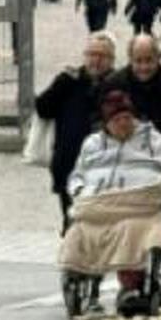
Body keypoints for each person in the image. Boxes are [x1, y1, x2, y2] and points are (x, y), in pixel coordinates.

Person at [63, 89, 161, 314]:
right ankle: (83, 284)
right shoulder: (93, 143)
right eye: (116, 120)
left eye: (127, 118)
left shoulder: (152, 140)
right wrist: (79, 190)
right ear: (106, 123)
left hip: (139, 207)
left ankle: (133, 287)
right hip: (101, 206)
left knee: (133, 228)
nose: (123, 123)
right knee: (80, 228)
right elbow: (76, 175)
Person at [35, 32, 115, 230]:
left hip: (105, 168)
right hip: (69, 164)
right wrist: (61, 85)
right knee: (72, 224)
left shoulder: (118, 83)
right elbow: (43, 108)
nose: (95, 60)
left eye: (102, 55)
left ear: (111, 60)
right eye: (91, 54)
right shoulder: (69, 80)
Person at [107, 33, 161, 147]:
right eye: (138, 61)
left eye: (149, 60)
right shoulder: (114, 83)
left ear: (158, 58)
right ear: (130, 59)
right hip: (124, 149)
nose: (144, 67)